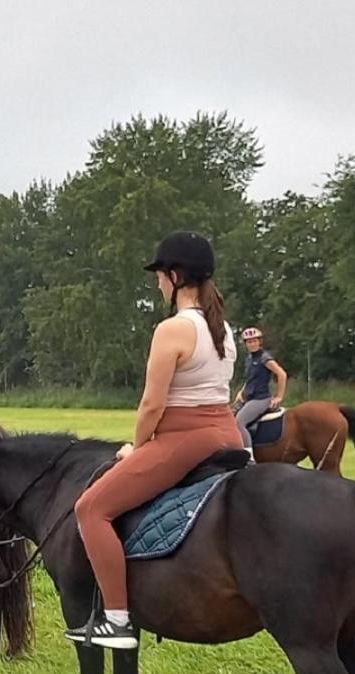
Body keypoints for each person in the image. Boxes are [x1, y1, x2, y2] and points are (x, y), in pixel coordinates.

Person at [67, 231, 243, 649]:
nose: (158, 284)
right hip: (228, 433)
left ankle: (116, 620)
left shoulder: (173, 329)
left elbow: (151, 405)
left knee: (91, 509)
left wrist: (139, 447)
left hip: (186, 438)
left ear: (176, 276)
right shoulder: (225, 331)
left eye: (160, 276)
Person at [234, 326, 287, 454]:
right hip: (249, 398)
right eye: (249, 342)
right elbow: (250, 379)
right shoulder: (249, 358)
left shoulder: (265, 358)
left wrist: (279, 396)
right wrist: (241, 392)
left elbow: (281, 374)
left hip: (260, 399)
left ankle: (248, 455)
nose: (252, 344)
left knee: (239, 423)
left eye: (254, 341)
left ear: (259, 342)